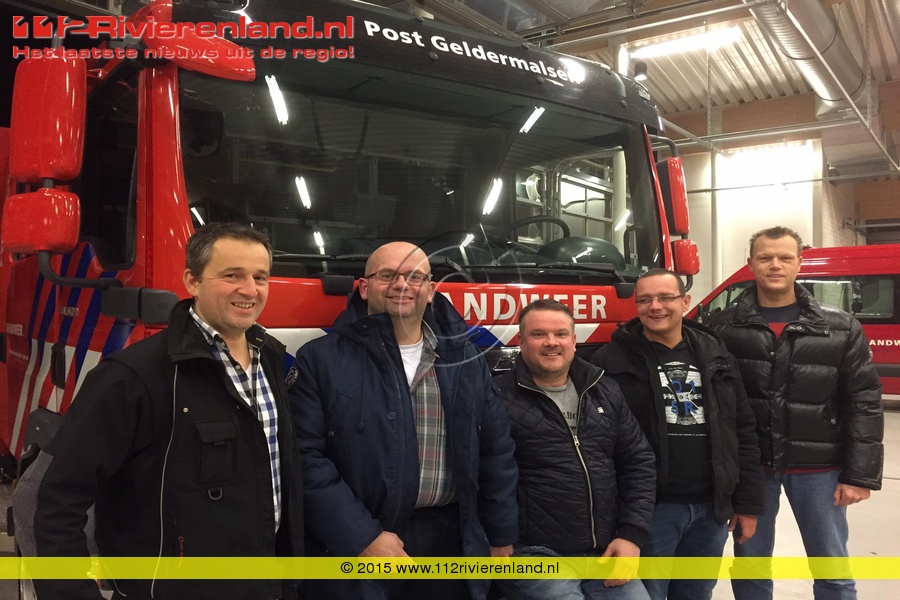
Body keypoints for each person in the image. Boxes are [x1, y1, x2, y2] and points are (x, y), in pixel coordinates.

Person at [32, 222, 304, 600]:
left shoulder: (272, 359)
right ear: (192, 281)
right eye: (232, 275)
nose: (250, 289)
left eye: (260, 277)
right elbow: (60, 501)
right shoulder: (134, 376)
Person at [289, 241, 518, 600]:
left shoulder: (465, 359)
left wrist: (501, 534)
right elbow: (303, 457)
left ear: (431, 290)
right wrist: (361, 536)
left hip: (450, 541)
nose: (401, 285)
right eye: (387, 276)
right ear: (364, 288)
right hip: (358, 546)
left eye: (415, 277)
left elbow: (496, 451)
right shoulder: (319, 360)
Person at [710, 226, 884, 600]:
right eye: (765, 257)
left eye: (785, 257)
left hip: (820, 469)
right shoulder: (722, 327)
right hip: (751, 469)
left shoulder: (840, 327)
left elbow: (863, 401)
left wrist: (860, 475)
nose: (775, 265)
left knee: (832, 567)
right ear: (750, 263)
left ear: (799, 263)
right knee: (750, 565)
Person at [592, 269, 764, 600]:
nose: (655, 307)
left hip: (711, 510)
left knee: (697, 593)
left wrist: (747, 503)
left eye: (665, 298)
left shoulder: (717, 355)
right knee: (648, 593)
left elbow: (742, 429)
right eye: (645, 300)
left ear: (685, 302)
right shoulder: (609, 359)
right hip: (650, 511)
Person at [497, 299, 656, 600]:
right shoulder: (497, 398)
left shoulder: (604, 389)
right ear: (521, 341)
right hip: (534, 553)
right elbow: (488, 476)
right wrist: (499, 538)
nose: (551, 342)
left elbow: (638, 461)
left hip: (604, 550)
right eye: (539, 334)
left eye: (560, 334)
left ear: (573, 340)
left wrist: (631, 534)